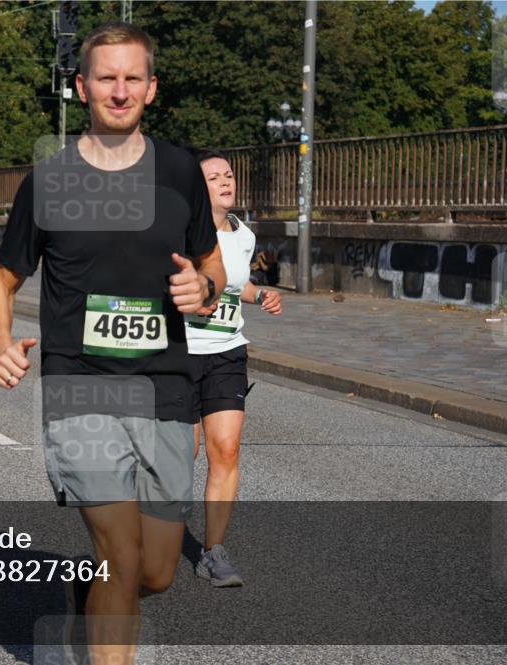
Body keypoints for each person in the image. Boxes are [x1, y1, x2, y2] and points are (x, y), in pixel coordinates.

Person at [0, 22, 225, 664]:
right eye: (107, 78)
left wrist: (204, 286)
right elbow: (3, 283)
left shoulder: (180, 171)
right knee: (119, 554)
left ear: (152, 87)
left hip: (165, 389)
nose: (120, 91)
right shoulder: (49, 180)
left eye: (132, 78)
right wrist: (1, 342)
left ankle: (91, 604)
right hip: (79, 386)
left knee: (156, 572)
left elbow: (213, 265)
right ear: (81, 86)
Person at [185, 149, 282, 588]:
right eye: (214, 177)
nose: (226, 181)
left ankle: (213, 552)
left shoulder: (244, 235)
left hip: (227, 351)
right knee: (181, 456)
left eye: (229, 174)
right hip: (180, 353)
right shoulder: (181, 232)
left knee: (225, 449)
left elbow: (236, 284)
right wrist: (190, 301)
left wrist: (259, 295)